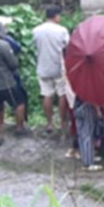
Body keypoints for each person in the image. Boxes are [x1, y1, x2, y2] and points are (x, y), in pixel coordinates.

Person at [33, 7, 71, 135]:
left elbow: (35, 47)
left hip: (43, 67)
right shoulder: (62, 30)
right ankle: (63, 122)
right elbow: (67, 47)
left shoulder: (36, 30)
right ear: (56, 16)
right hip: (59, 67)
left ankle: (49, 123)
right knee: (62, 94)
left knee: (47, 94)